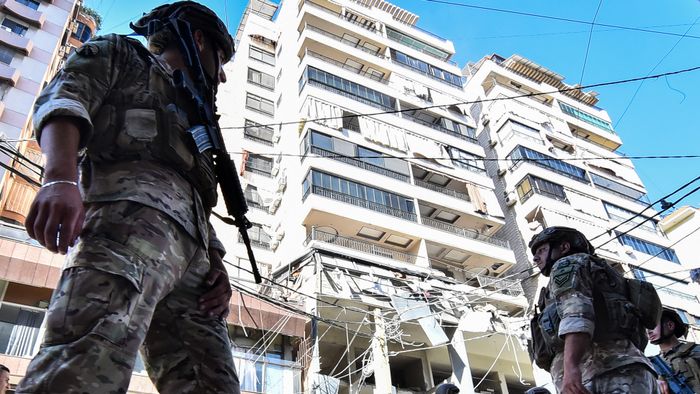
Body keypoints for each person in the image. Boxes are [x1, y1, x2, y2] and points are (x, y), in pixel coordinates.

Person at [16, 2, 241, 393]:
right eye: (219, 60)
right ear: (199, 40)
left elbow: (198, 198)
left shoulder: (199, 118)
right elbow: (64, 103)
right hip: (126, 231)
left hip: (196, 268)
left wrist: (216, 264)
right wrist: (58, 180)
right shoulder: (123, 55)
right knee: (84, 365)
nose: (220, 76)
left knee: (210, 384)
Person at [528, 226, 659, 393]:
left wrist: (572, 369)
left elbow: (577, 315)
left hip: (600, 372)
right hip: (630, 370)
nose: (536, 258)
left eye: (542, 250)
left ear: (564, 247)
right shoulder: (606, 274)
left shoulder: (567, 264)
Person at [647, 308, 700, 393]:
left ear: (670, 325)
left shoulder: (696, 351)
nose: (648, 331)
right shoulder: (652, 365)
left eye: (653, 326)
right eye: (647, 328)